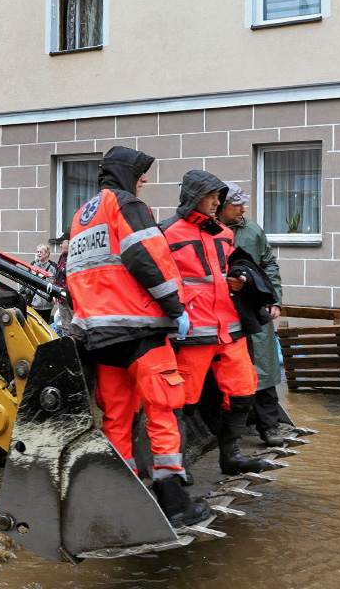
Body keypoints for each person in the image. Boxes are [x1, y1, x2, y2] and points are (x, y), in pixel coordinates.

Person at [68, 146, 209, 528]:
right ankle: (175, 504)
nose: (144, 180)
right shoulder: (127, 204)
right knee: (162, 409)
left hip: (102, 335)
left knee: (116, 418)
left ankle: (123, 501)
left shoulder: (82, 215)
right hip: (141, 329)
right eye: (140, 173)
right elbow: (146, 257)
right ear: (127, 174)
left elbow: (75, 275)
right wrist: (176, 308)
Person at [161, 170, 276, 476]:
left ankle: (231, 457)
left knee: (243, 391)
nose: (217, 203)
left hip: (230, 328)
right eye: (211, 197)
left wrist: (239, 276)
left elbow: (232, 263)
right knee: (182, 402)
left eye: (218, 197)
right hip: (193, 331)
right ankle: (176, 468)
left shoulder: (223, 233)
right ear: (193, 197)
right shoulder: (165, 232)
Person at [216, 183, 287, 447]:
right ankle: (228, 427)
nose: (244, 209)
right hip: (221, 310)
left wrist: (275, 300)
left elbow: (268, 263)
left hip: (255, 307)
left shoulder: (252, 229)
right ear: (223, 206)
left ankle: (269, 427)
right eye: (238, 204)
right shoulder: (209, 231)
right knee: (229, 371)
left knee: (264, 368)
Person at [27, 243, 57, 323]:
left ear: (47, 253)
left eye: (41, 252)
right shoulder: (33, 265)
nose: (38, 254)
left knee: (45, 325)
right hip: (33, 301)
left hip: (46, 303)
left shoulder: (52, 267)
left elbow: (55, 283)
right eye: (38, 252)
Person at [52, 229, 73, 335]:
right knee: (65, 327)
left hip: (72, 299)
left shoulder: (75, 256)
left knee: (76, 326)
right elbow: (58, 275)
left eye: (62, 243)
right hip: (61, 299)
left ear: (69, 242)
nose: (60, 245)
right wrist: (55, 292)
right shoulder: (62, 256)